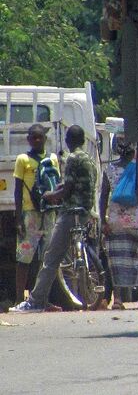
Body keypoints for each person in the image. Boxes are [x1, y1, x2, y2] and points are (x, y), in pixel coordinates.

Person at [11, 126, 98, 313]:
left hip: (69, 212)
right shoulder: (89, 159)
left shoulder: (72, 158)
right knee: (53, 257)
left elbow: (66, 189)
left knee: (51, 258)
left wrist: (51, 195)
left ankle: (35, 301)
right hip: (84, 210)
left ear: (68, 140)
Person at [12, 124, 60, 308]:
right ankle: (19, 299)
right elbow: (17, 190)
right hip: (29, 213)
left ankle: (42, 299)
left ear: (45, 139)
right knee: (24, 257)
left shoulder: (53, 159)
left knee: (47, 259)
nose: (37, 140)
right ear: (29, 140)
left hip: (48, 213)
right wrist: (18, 219)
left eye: (40, 137)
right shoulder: (22, 159)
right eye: (34, 137)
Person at [98, 135, 138, 310]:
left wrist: (103, 221)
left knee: (117, 261)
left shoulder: (109, 170)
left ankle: (118, 299)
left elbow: (103, 198)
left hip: (115, 221)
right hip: (137, 220)